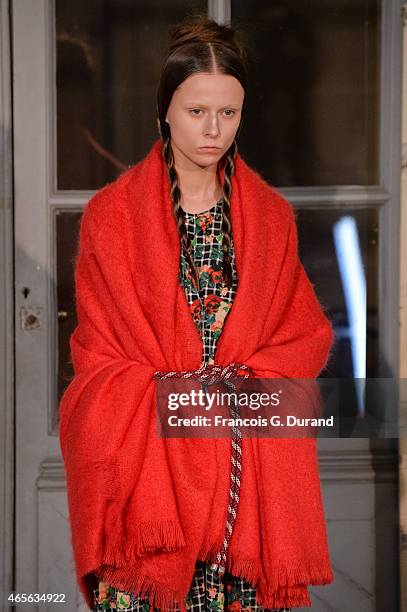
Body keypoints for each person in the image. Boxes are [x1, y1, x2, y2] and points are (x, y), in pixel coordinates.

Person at [59, 13, 335, 612]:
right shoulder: (113, 218)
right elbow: (98, 359)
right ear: (165, 110)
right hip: (149, 487)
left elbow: (302, 338)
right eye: (196, 111)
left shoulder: (270, 220)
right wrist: (176, 395)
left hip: (244, 484)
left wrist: (239, 393)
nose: (214, 129)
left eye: (229, 113)